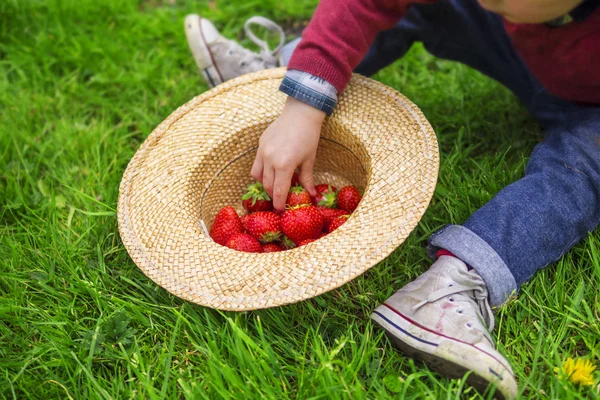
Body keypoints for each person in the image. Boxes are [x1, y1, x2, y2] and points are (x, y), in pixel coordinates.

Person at [184, 1, 600, 398]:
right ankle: (282, 79)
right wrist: (302, 106)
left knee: (586, 164)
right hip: (525, 49)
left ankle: (451, 286)